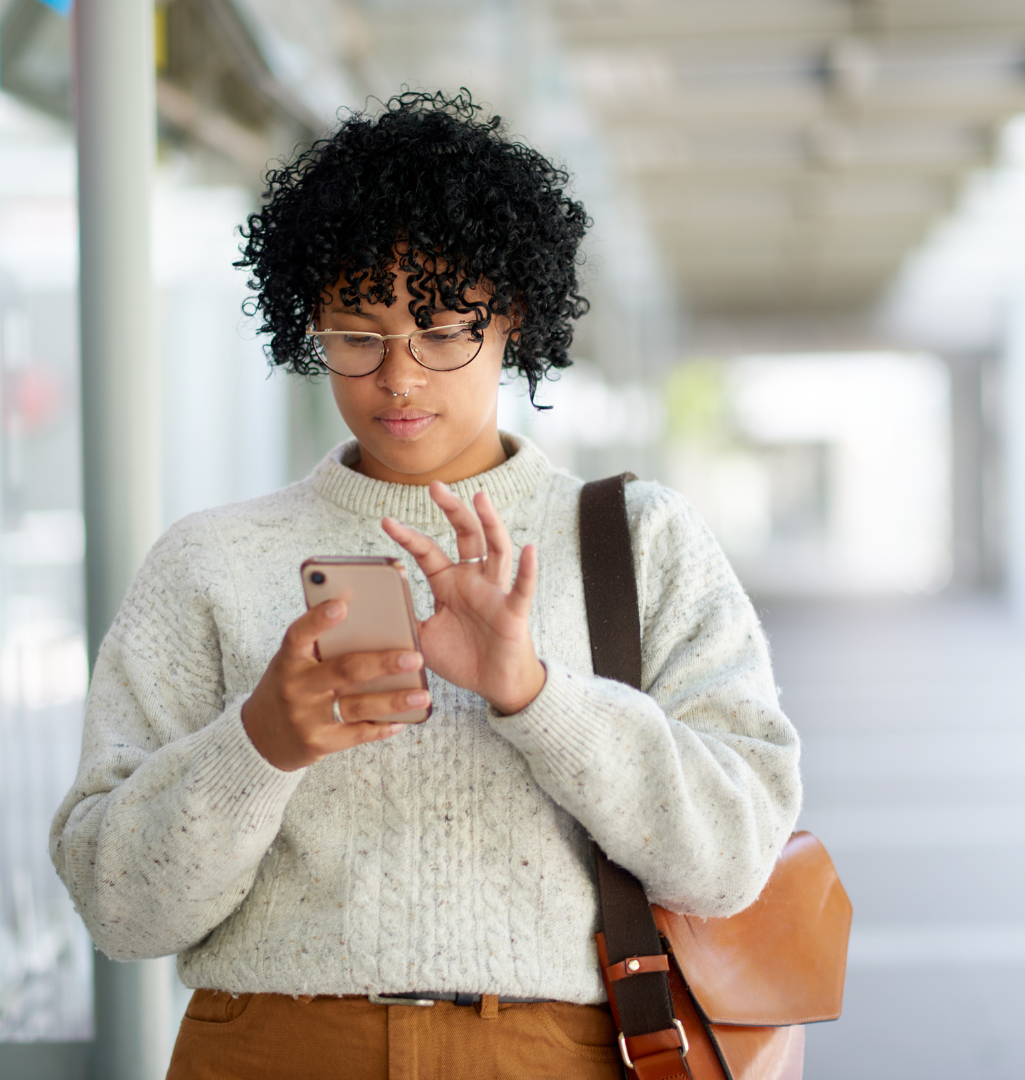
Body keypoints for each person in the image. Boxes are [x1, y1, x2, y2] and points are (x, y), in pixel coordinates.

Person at [51, 91, 802, 1080]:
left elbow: (735, 853)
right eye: (356, 333)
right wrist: (260, 743)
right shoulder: (209, 561)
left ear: (513, 321)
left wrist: (536, 696)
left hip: (551, 1052)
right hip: (271, 1051)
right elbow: (118, 907)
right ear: (308, 321)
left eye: (444, 330)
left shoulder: (640, 542)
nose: (399, 377)